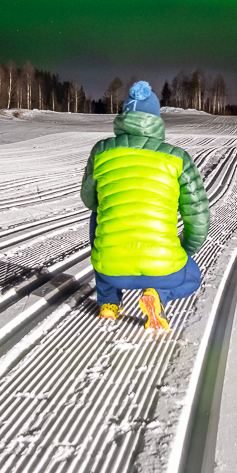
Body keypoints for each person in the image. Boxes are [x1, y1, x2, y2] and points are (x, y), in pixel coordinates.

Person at [81, 81, 210, 330]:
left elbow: (89, 200)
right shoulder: (178, 158)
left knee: (102, 213)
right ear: (155, 118)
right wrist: (185, 249)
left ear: (124, 116)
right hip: (164, 268)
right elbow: (198, 217)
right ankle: (157, 296)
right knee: (192, 278)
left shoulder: (101, 151)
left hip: (110, 269)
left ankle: (108, 303)